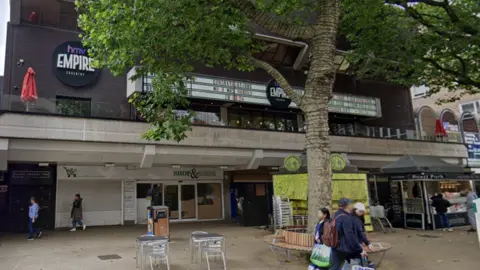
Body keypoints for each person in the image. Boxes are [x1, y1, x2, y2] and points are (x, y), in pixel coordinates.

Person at [329, 198, 363, 270]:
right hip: (344, 248)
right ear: (348, 205)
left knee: (335, 266)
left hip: (334, 245)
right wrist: (360, 249)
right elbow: (350, 236)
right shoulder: (346, 218)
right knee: (352, 265)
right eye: (351, 204)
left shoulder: (334, 215)